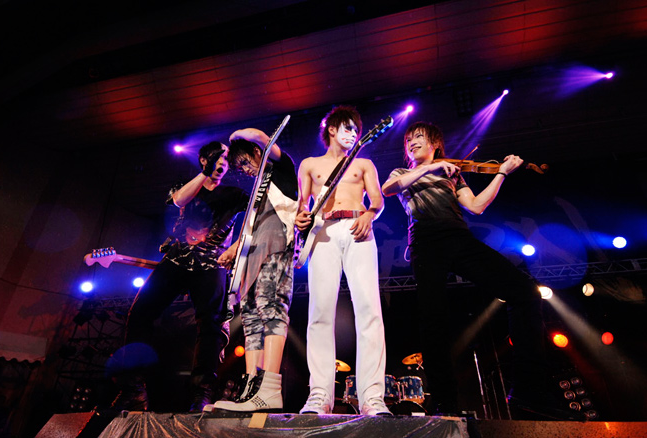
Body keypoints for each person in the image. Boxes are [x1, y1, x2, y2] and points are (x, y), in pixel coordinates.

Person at [381, 121, 582, 420]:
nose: (412, 142)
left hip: (459, 239)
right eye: (408, 139)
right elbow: (388, 189)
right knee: (434, 320)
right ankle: (445, 403)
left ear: (435, 144)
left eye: (419, 137)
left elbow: (476, 206)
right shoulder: (402, 172)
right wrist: (430, 168)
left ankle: (528, 391)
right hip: (426, 243)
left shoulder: (452, 173)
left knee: (526, 293)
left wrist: (501, 173)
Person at [109, 141, 248, 413]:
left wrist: (237, 245)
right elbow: (178, 201)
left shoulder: (234, 194)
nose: (222, 163)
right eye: (217, 158)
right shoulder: (186, 186)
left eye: (225, 159)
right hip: (176, 259)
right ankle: (133, 389)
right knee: (140, 313)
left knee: (210, 324)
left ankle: (202, 393)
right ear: (204, 160)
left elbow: (258, 214)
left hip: (211, 263)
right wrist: (204, 174)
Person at [295, 105, 391, 416]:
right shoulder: (309, 164)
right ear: (332, 129)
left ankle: (372, 397)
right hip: (324, 231)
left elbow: (377, 201)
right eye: (348, 127)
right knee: (320, 311)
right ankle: (320, 395)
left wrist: (369, 215)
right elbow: (302, 205)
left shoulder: (363, 163)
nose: (353, 133)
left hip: (358, 229)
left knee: (369, 310)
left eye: (356, 129)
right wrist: (300, 218)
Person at [211, 127, 298, 412]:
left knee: (271, 309)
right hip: (251, 259)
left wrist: (234, 137)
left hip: (276, 248)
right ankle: (251, 387)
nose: (245, 170)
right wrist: (233, 249)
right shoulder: (257, 194)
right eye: (240, 168)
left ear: (257, 153)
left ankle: (270, 387)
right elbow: (251, 227)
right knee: (250, 319)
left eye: (246, 163)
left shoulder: (281, 170)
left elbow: (259, 136)